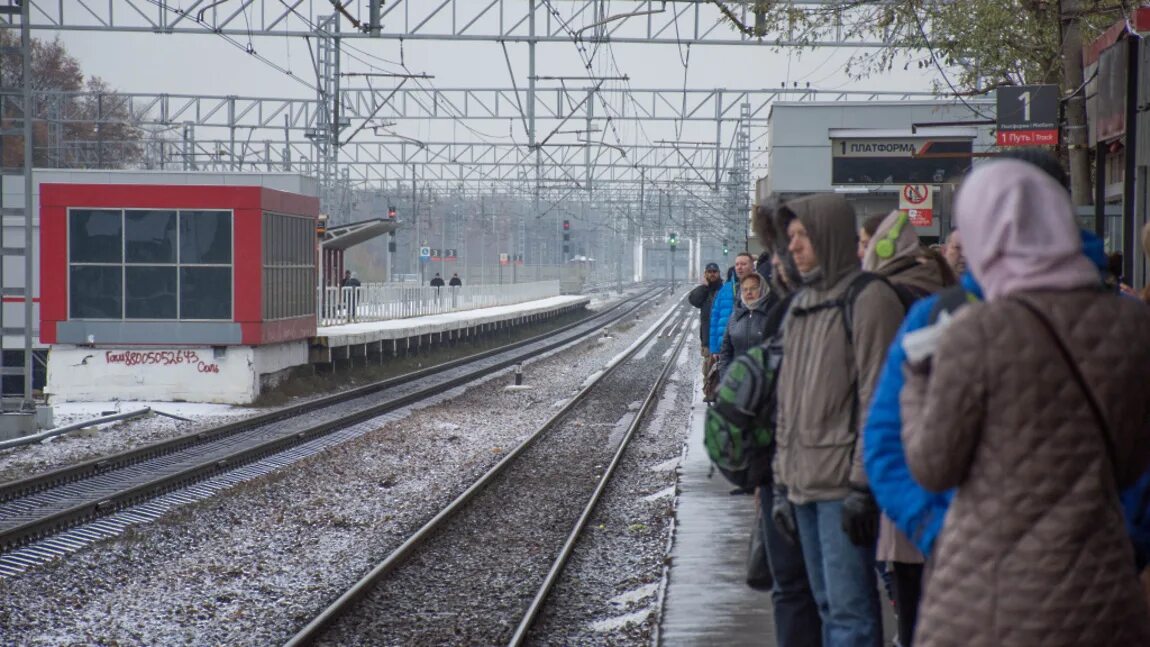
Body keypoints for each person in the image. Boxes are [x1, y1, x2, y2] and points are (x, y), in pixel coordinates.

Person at [901, 159, 1150, 646]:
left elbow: (933, 466)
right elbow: (1131, 462)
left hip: (990, 593)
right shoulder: (1133, 326)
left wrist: (917, 383)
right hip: (1104, 589)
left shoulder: (977, 332)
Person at [773, 193, 904, 647]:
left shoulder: (868, 299)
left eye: (802, 236)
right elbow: (786, 402)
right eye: (790, 238)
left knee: (850, 614)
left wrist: (863, 487)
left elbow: (878, 398)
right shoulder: (802, 305)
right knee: (827, 607)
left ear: (828, 236)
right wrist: (780, 481)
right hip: (802, 484)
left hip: (842, 488)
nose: (793, 247)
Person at [858, 209, 952, 647]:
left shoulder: (888, 297)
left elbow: (883, 407)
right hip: (943, 485)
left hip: (917, 479)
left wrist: (893, 498)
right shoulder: (940, 290)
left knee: (914, 595)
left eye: (865, 242)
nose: (860, 252)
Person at [750, 202, 824, 647]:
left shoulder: (842, 306)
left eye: (789, 247)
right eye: (779, 249)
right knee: (792, 590)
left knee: (826, 598)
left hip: (824, 477)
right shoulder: (783, 312)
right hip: (782, 472)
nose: (780, 258)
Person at [715, 271, 775, 378]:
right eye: (745, 289)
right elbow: (726, 352)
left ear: (763, 289)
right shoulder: (735, 316)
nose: (749, 292)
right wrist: (725, 378)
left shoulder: (772, 316)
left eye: (753, 288)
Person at [708, 252, 755, 359]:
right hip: (726, 348)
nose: (739, 267)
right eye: (737, 264)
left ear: (752, 266)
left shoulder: (759, 288)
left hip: (750, 347)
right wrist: (715, 349)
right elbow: (715, 319)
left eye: (743, 264)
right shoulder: (725, 289)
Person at [688, 262, 723, 380]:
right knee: (708, 373)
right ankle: (709, 395)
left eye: (714, 272)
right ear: (705, 274)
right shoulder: (704, 291)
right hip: (708, 340)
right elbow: (693, 300)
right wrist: (704, 287)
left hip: (723, 339)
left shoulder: (724, 289)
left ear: (719, 273)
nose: (712, 274)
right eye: (709, 272)